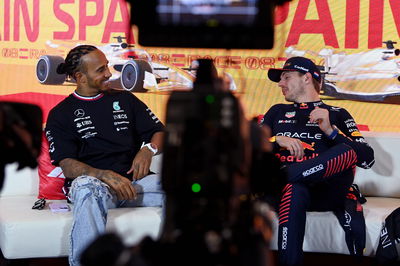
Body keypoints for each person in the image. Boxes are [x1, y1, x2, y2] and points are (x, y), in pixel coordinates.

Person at [45, 45, 165, 266]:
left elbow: (159, 132)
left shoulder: (126, 100)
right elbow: (68, 165)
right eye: (101, 69)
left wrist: (148, 150)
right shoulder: (60, 114)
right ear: (80, 77)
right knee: (86, 189)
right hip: (96, 187)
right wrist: (105, 176)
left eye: (107, 66)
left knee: (184, 187)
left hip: (135, 185)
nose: (109, 73)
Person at [261, 56, 375, 266]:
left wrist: (331, 131)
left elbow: (367, 158)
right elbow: (250, 147)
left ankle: (286, 175)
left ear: (306, 78)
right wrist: (276, 140)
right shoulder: (276, 111)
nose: (280, 83)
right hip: (287, 190)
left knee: (347, 149)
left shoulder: (338, 113)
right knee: (294, 188)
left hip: (324, 190)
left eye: (286, 77)